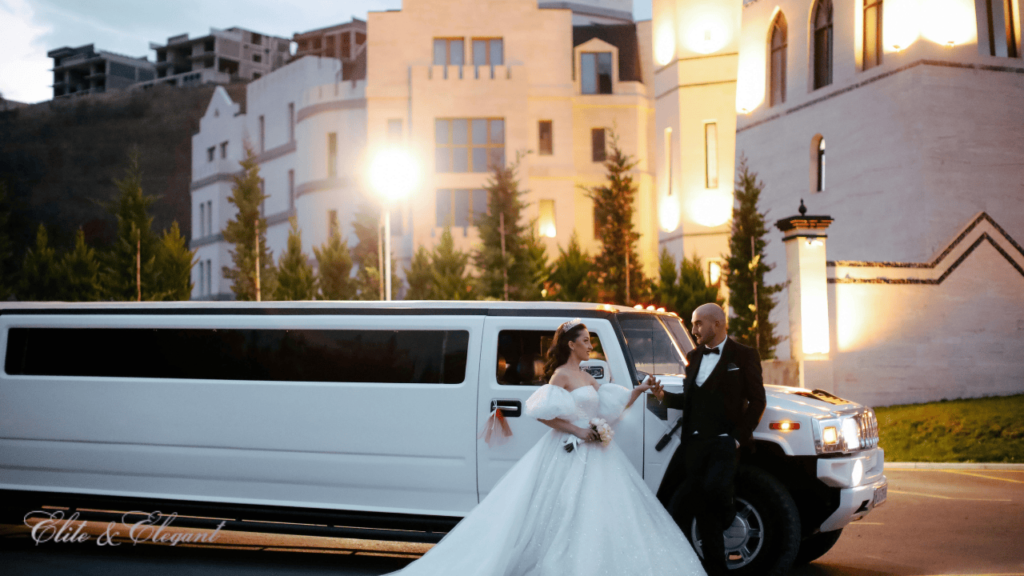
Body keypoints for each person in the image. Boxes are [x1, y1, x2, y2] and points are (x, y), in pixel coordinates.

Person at [384, 318, 706, 576]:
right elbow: (542, 413)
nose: (590, 346)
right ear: (571, 344)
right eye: (585, 341)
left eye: (590, 341)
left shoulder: (587, 377)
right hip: (570, 449)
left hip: (597, 452)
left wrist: (641, 389)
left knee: (601, 510)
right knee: (565, 509)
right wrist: (578, 430)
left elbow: (610, 408)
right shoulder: (561, 376)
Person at [649, 303, 767, 576]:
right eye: (693, 324)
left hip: (724, 443)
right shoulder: (693, 356)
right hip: (694, 444)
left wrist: (737, 439)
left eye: (698, 323)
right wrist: (663, 397)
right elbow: (690, 400)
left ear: (717, 324)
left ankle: (729, 514)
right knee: (703, 510)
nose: (693, 330)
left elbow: (758, 400)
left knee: (716, 492)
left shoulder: (745, 355)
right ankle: (716, 570)